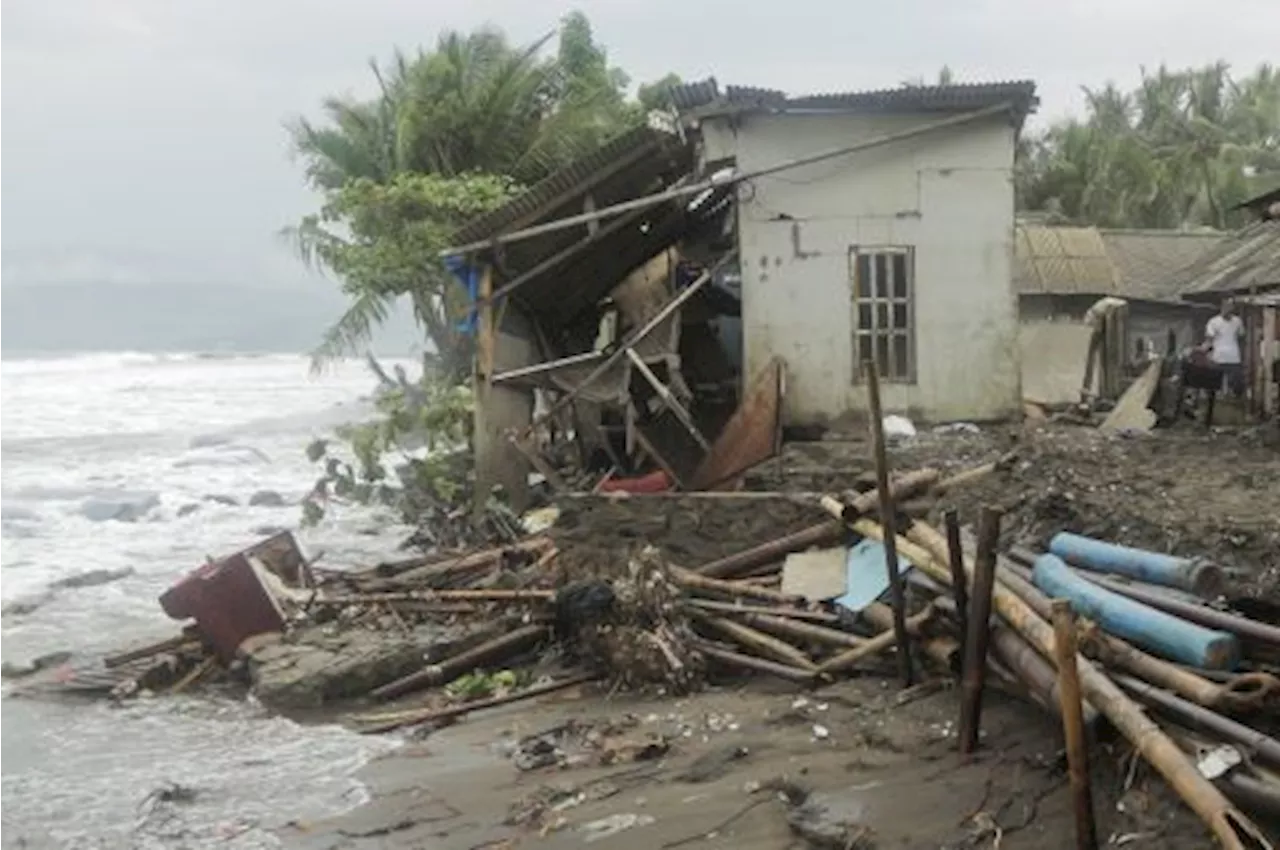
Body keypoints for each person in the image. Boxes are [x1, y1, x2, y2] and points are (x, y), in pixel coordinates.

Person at [1204, 299, 1245, 395]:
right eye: (1226, 306)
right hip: (1218, 357)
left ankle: (1233, 397)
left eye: (1231, 306)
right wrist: (1206, 351)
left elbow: (1241, 337)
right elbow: (1209, 339)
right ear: (1222, 307)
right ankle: (1217, 398)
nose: (1229, 309)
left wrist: (1242, 353)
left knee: (1236, 381)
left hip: (1234, 357)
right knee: (1215, 381)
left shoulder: (1237, 321)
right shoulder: (1213, 322)